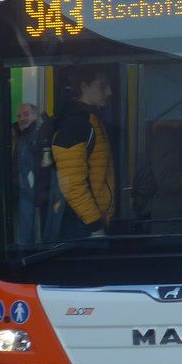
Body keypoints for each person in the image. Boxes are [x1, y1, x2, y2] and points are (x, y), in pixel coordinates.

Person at [49, 67, 115, 238]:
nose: (109, 92)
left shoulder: (92, 119)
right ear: (84, 87)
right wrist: (95, 226)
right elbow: (72, 185)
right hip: (81, 227)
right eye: (102, 86)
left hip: (87, 222)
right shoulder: (75, 125)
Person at [11, 103, 52, 242]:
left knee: (31, 237)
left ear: (35, 115)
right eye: (19, 116)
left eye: (26, 114)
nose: (22, 119)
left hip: (34, 195)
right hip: (25, 194)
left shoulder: (39, 135)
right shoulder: (23, 136)